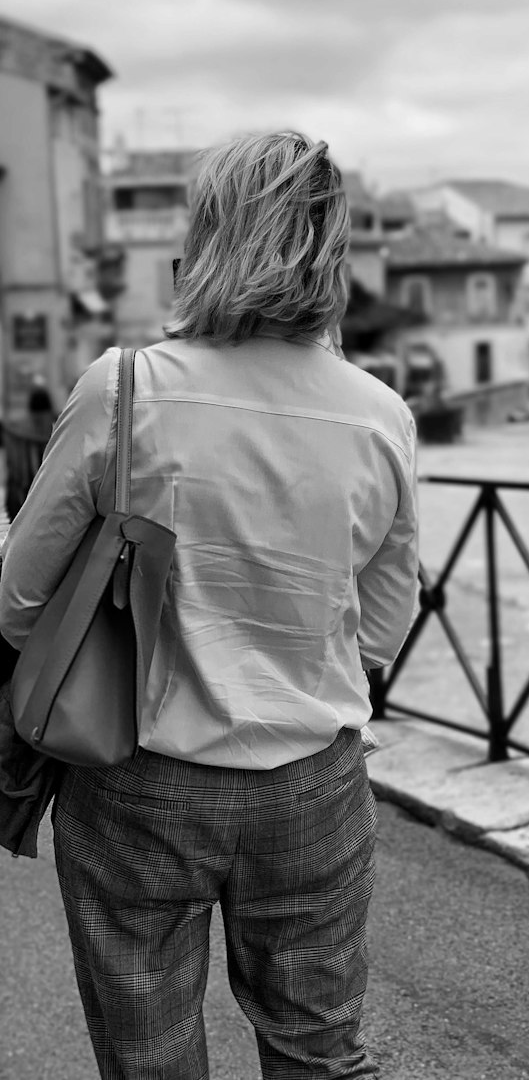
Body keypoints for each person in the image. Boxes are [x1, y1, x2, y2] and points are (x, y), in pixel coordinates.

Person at [0, 131, 419, 1079]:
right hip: (314, 781)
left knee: (150, 1059)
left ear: (208, 236)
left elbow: (20, 602)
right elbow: (386, 626)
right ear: (331, 247)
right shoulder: (379, 414)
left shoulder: (125, 390)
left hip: (138, 771)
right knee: (318, 1052)